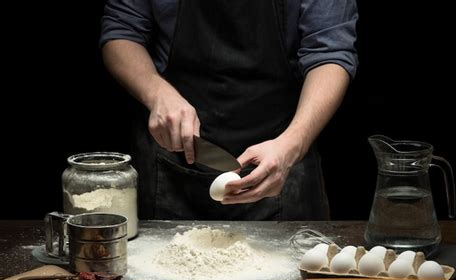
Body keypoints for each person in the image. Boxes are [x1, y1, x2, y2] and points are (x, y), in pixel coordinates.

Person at [100, 0, 358, 220]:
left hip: (282, 158)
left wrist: (293, 143)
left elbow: (330, 52)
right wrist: (156, 92)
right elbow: (122, 30)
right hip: (170, 166)